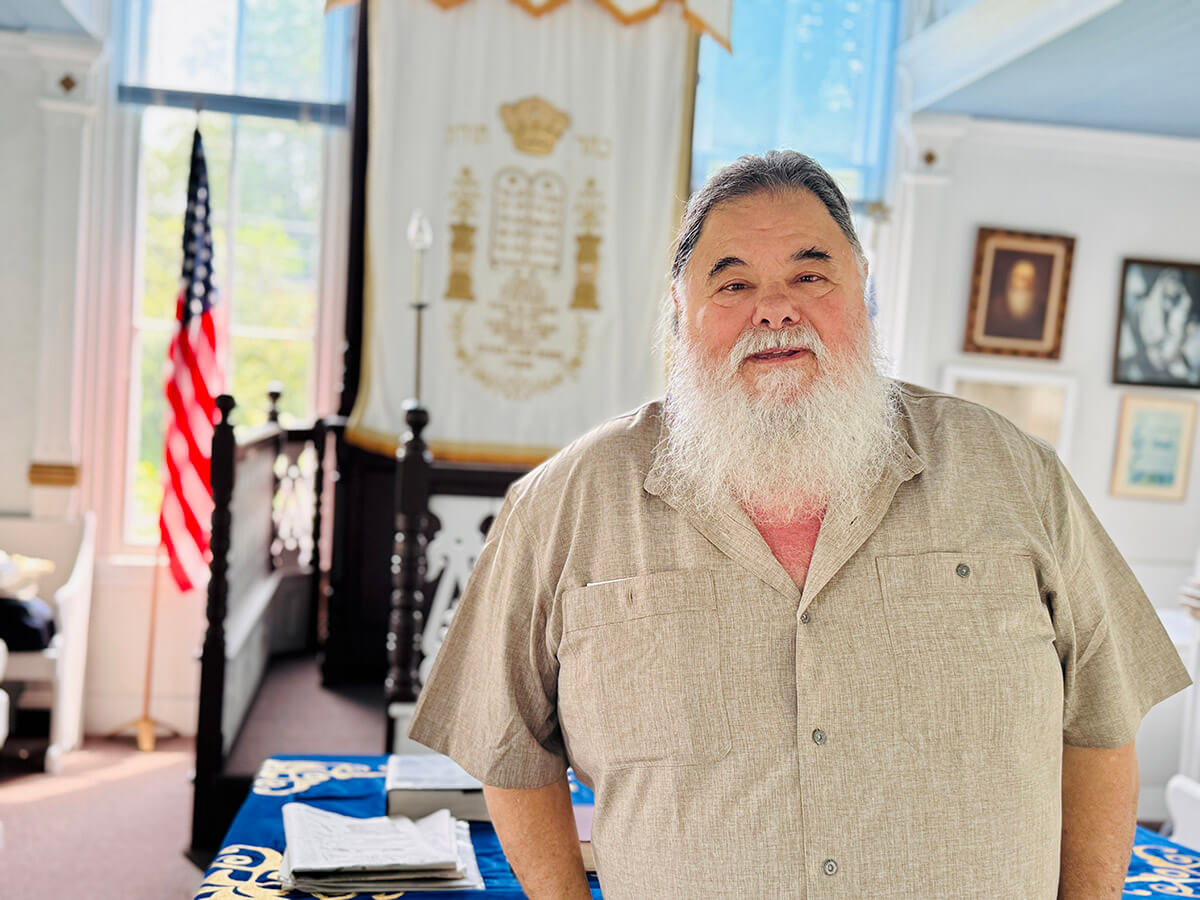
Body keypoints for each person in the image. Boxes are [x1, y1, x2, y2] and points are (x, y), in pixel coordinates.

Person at [408, 151, 1190, 898]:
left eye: (810, 275)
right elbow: (509, 750)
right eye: (732, 282)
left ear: (864, 293)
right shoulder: (566, 503)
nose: (775, 308)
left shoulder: (1015, 473)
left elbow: (1101, 717)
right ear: (679, 314)